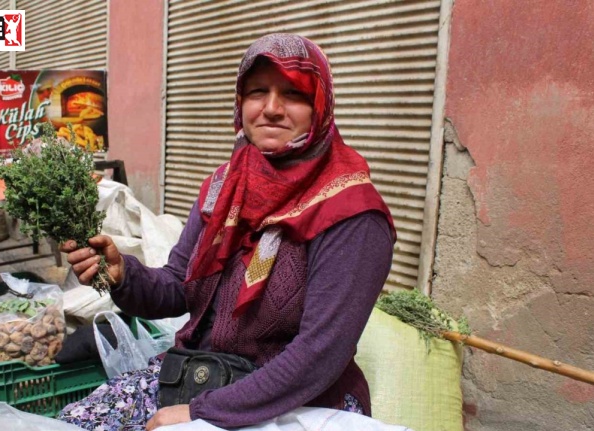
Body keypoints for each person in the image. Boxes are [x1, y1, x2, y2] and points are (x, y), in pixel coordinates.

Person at [58, 33, 396, 431]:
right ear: (240, 103)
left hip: (298, 399)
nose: (271, 109)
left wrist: (202, 414)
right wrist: (123, 274)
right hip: (203, 374)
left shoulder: (351, 214)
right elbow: (177, 287)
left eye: (293, 93)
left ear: (319, 105)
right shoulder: (224, 187)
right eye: (257, 92)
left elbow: (320, 353)